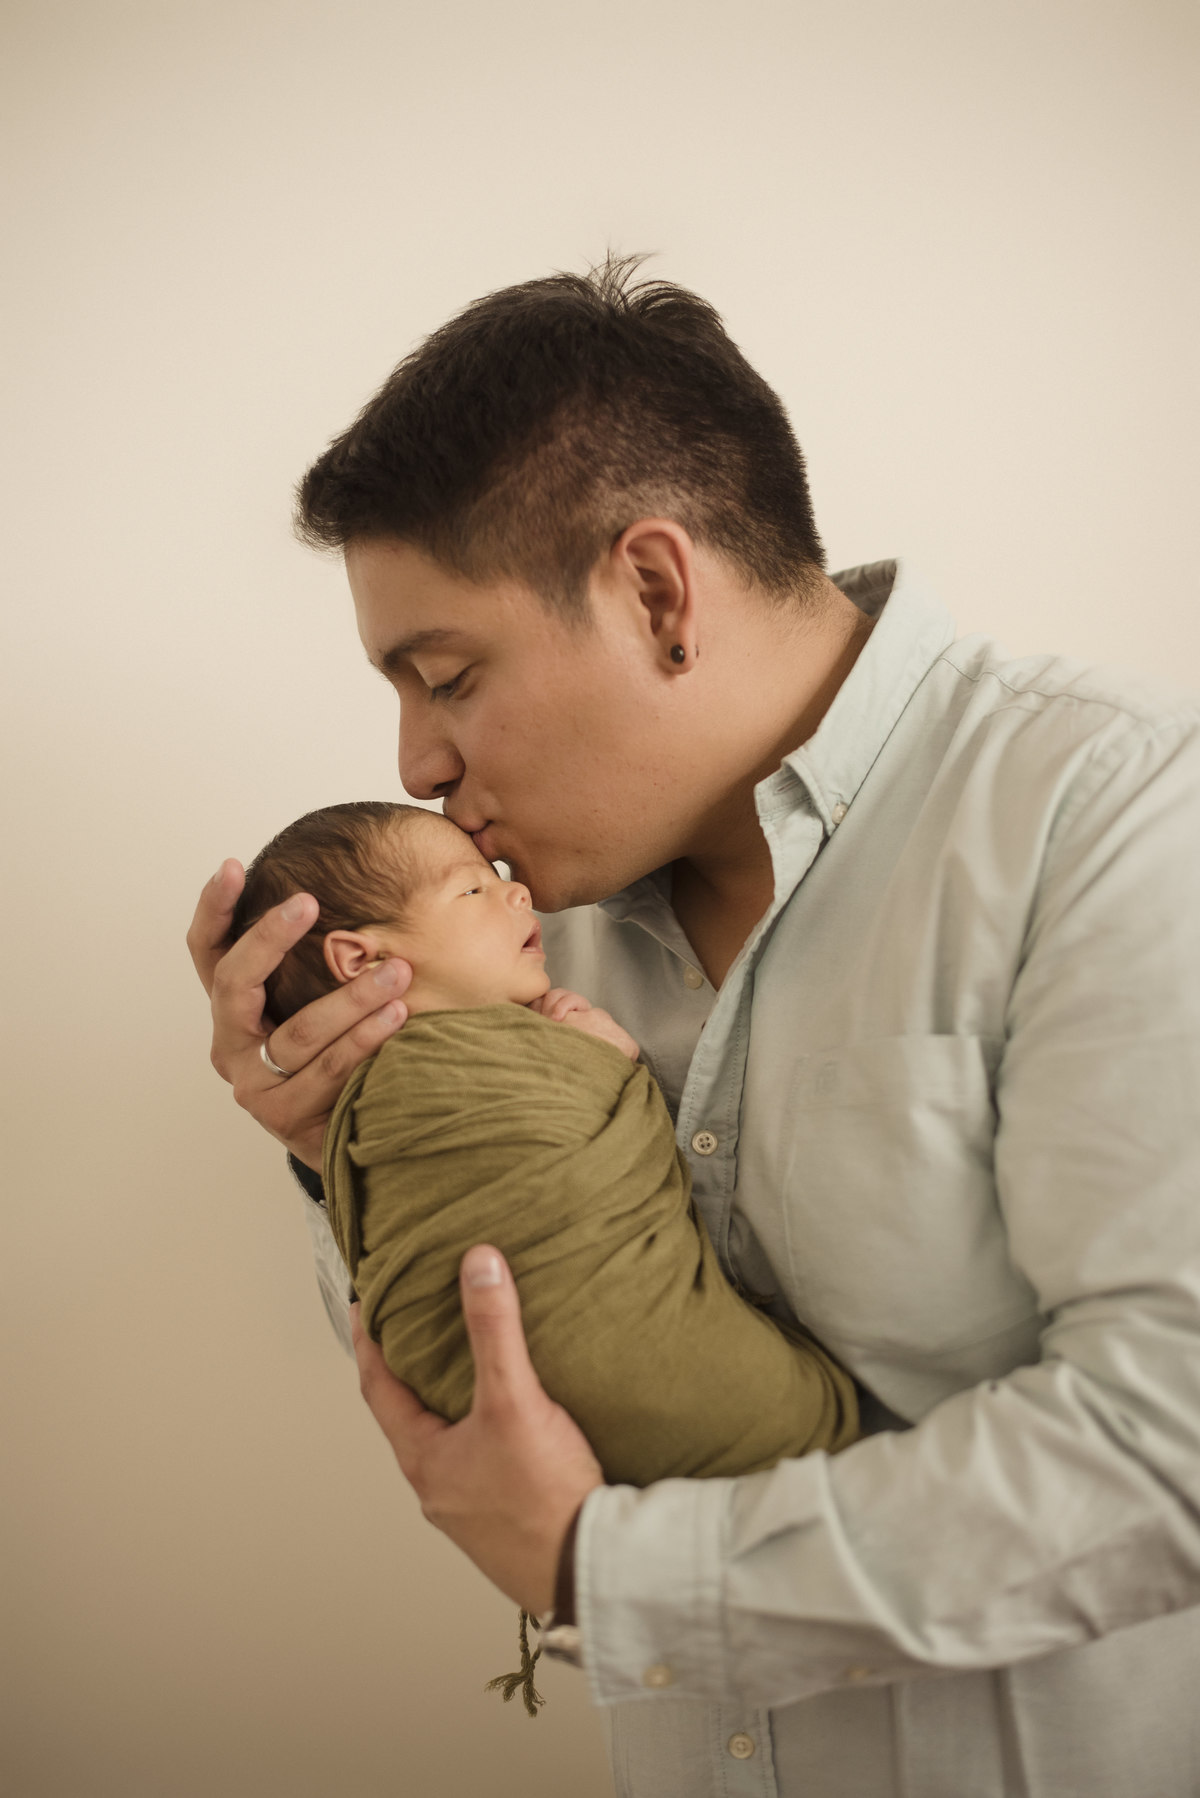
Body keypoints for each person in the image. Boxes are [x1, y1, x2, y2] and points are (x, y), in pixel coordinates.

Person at [189, 256, 1200, 1798]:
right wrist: (339, 1136)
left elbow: (1167, 1445)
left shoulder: (1112, 811)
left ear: (658, 592)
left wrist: (621, 1571)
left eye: (447, 678)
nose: (414, 762)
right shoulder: (507, 926)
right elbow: (482, 1375)